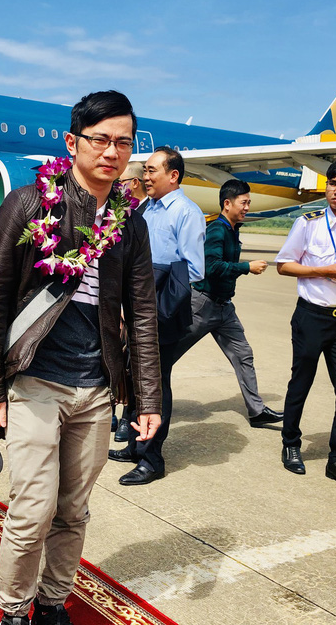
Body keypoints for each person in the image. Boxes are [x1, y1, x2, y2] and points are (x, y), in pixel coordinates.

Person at [0, 90, 161, 625]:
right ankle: (13, 610)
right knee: (32, 511)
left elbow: (142, 314)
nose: (112, 152)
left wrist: (147, 396)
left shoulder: (131, 223)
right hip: (35, 381)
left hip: (97, 388)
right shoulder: (30, 203)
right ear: (71, 141)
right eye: (100, 139)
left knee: (72, 511)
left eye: (123, 142)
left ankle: (53, 601)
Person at [274, 158, 336, 491]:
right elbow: (284, 266)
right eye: (332, 183)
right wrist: (323, 270)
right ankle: (291, 443)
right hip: (311, 316)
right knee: (300, 382)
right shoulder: (308, 223)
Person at [109, 145, 205, 486]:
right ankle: (136, 445)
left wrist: (157, 302)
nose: (145, 177)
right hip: (138, 304)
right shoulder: (146, 209)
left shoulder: (186, 212)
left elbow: (194, 270)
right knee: (136, 378)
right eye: (145, 171)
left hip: (162, 308)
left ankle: (152, 459)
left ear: (173, 175)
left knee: (155, 383)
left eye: (151, 171)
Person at [169, 179, 283, 427]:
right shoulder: (217, 230)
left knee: (243, 354)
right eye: (244, 202)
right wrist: (246, 267)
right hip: (202, 306)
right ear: (227, 204)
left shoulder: (233, 229)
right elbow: (210, 267)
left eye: (249, 202)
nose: (247, 207)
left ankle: (256, 411)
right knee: (165, 355)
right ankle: (132, 408)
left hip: (224, 308)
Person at [112, 161, 148, 443]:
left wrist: (128, 305)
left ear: (132, 183)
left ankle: (128, 415)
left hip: (136, 300)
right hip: (114, 299)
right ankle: (111, 410)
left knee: (129, 363)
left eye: (120, 180)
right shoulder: (115, 210)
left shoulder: (145, 214)